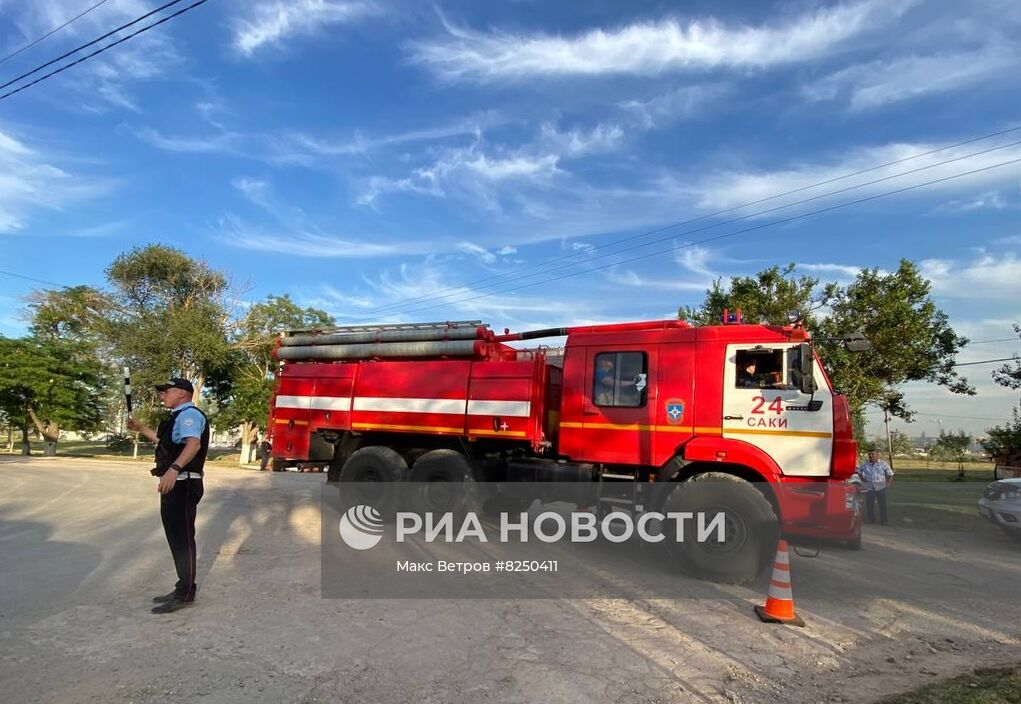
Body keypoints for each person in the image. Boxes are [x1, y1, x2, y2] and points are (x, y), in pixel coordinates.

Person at [127, 378, 209, 614]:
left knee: (183, 540)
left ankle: (185, 594)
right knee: (176, 539)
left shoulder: (189, 415)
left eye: (166, 391)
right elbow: (167, 444)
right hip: (176, 485)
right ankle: (182, 586)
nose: (162, 395)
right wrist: (141, 428)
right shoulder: (178, 416)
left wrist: (174, 469)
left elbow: (192, 445)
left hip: (184, 484)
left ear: (183, 393)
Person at [856, 449, 894, 526]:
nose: (871, 456)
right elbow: (859, 472)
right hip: (870, 487)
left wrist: (888, 483)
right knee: (870, 505)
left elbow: (891, 474)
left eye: (873, 454)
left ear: (877, 455)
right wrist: (863, 479)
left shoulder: (883, 464)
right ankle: (871, 520)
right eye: (869, 454)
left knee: (882, 505)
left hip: (880, 487)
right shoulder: (865, 465)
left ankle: (884, 520)